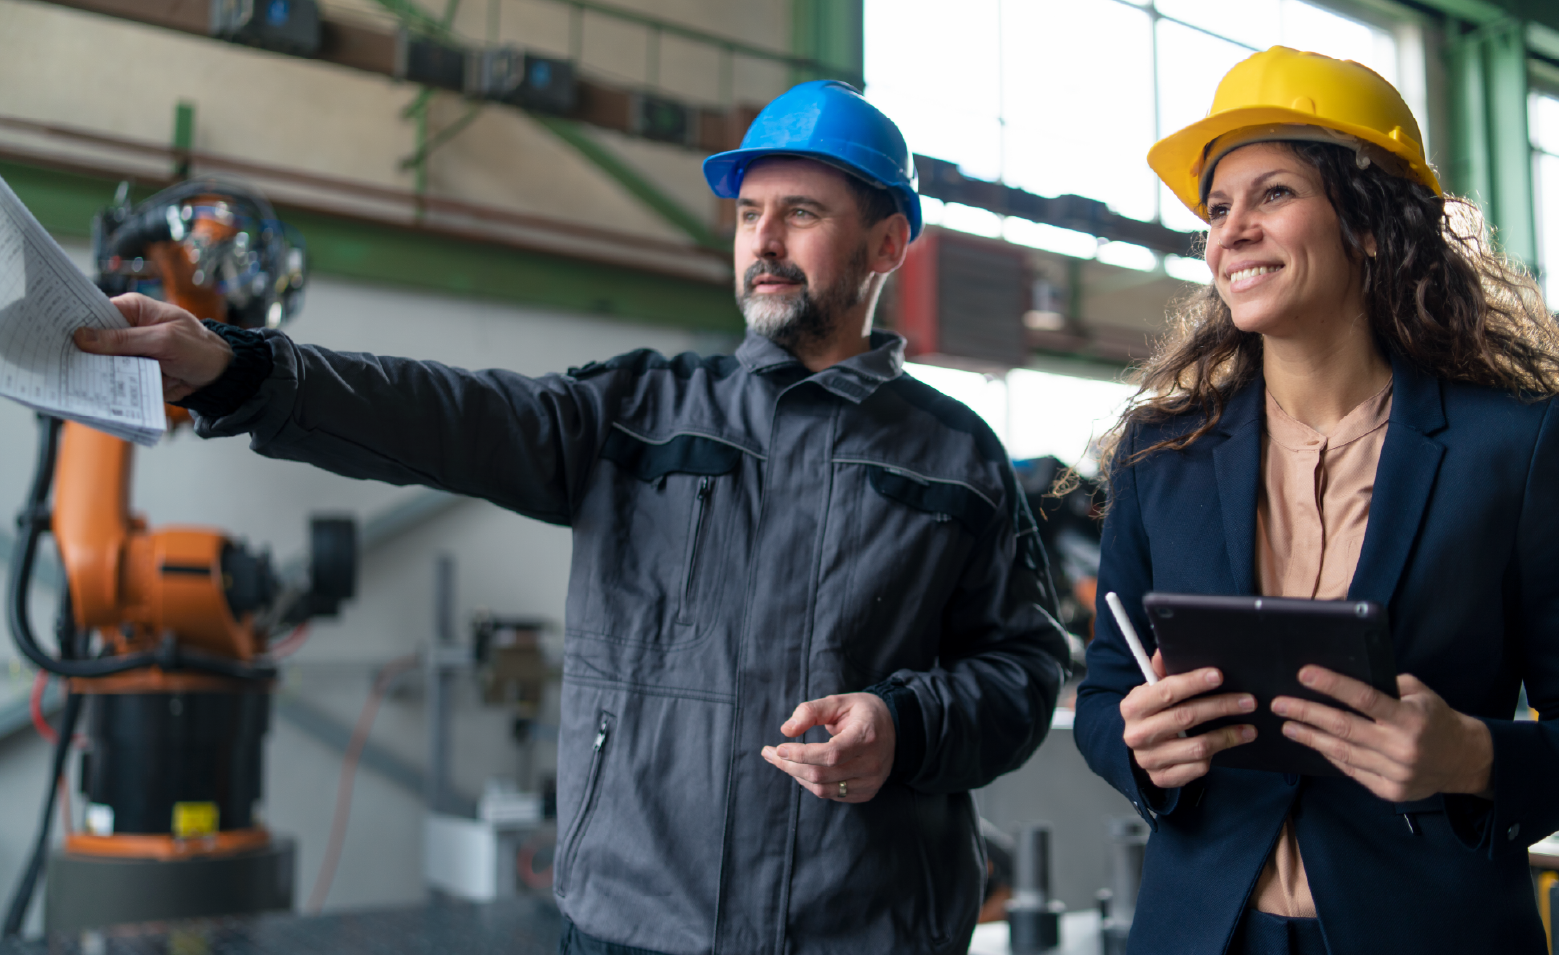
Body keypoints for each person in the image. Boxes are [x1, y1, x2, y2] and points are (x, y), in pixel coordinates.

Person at [73, 80, 1070, 954]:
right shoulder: (633, 413)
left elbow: (1023, 671)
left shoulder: (957, 457)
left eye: (799, 212)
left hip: (867, 929)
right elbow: (439, 414)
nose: (760, 240)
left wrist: (901, 725)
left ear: (886, 240)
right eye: (746, 214)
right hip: (636, 924)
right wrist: (231, 366)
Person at [1073, 47, 1559, 955]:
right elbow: (1106, 688)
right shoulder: (1160, 453)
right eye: (1217, 209)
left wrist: (1473, 757)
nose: (1230, 231)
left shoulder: (1517, 447)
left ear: (1369, 222)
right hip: (1206, 931)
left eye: (1273, 195)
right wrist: (1139, 748)